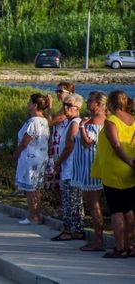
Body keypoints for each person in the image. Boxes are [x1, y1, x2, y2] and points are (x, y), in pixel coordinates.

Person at [91, 90, 135, 259]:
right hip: (129, 170)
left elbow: (116, 145)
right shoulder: (132, 120)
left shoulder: (112, 121)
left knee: (117, 210)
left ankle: (120, 246)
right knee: (129, 209)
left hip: (115, 169)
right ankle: (130, 245)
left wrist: (128, 161)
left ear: (111, 102)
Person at [73, 91, 105, 252]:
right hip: (86, 167)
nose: (87, 103)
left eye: (90, 101)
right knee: (93, 205)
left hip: (91, 167)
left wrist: (81, 126)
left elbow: (88, 142)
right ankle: (98, 238)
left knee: (94, 205)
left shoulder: (95, 122)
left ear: (98, 104)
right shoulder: (95, 120)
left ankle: (98, 239)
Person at [51, 93, 85, 242]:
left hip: (70, 168)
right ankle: (77, 230)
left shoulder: (74, 123)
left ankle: (68, 230)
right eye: (64, 104)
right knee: (75, 201)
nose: (65, 107)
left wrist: (58, 163)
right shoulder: (71, 122)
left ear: (77, 108)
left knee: (69, 201)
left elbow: (69, 146)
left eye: (69, 105)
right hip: (71, 168)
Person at [13, 93, 50, 225]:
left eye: (30, 102)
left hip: (30, 157)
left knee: (31, 188)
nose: (28, 104)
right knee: (36, 187)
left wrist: (16, 153)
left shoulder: (33, 122)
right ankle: (36, 214)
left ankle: (33, 215)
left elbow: (25, 141)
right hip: (40, 157)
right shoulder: (44, 120)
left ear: (35, 105)